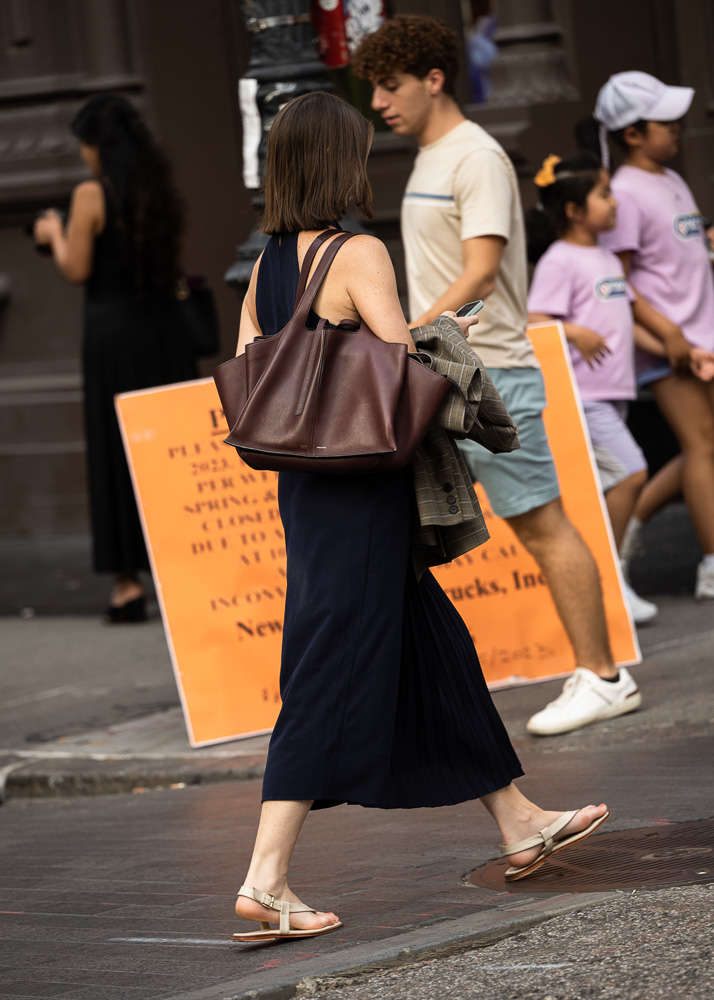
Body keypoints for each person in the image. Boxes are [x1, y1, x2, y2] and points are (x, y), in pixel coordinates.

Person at [230, 90, 609, 942]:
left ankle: (518, 821)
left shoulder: (267, 264)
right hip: (365, 491)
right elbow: (398, 368)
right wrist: (447, 330)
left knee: (437, 649)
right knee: (323, 672)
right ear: (340, 162)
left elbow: (262, 364)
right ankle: (264, 882)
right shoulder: (357, 251)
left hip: (308, 490)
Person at [352, 15, 641, 738]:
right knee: (404, 536)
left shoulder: (474, 156)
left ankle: (604, 677)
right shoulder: (431, 154)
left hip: (490, 374)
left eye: (391, 86)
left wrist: (411, 337)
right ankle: (400, 698)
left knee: (543, 526)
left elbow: (480, 269)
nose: (380, 102)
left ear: (434, 79)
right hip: (445, 370)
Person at [34, 94, 197, 622]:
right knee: (170, 452)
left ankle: (127, 585)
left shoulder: (90, 193)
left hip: (112, 338)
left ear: (97, 146)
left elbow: (78, 268)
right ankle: (184, 572)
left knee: (116, 451)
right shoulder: (157, 191)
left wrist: (53, 232)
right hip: (163, 336)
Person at [591, 72, 714, 603]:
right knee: (703, 445)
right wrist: (666, 334)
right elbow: (616, 281)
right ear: (633, 133)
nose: (678, 129)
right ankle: (711, 565)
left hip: (700, 335)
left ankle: (634, 518)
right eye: (667, 122)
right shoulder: (624, 192)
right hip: (671, 347)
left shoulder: (669, 178)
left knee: (706, 446)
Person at [525, 152, 658, 624]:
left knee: (612, 481)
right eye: (604, 193)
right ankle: (610, 571)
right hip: (586, 397)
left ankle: (606, 571)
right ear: (573, 211)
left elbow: (627, 319)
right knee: (631, 473)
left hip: (614, 394)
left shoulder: (605, 257)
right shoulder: (560, 261)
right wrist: (575, 331)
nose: (615, 201)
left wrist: (675, 349)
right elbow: (536, 319)